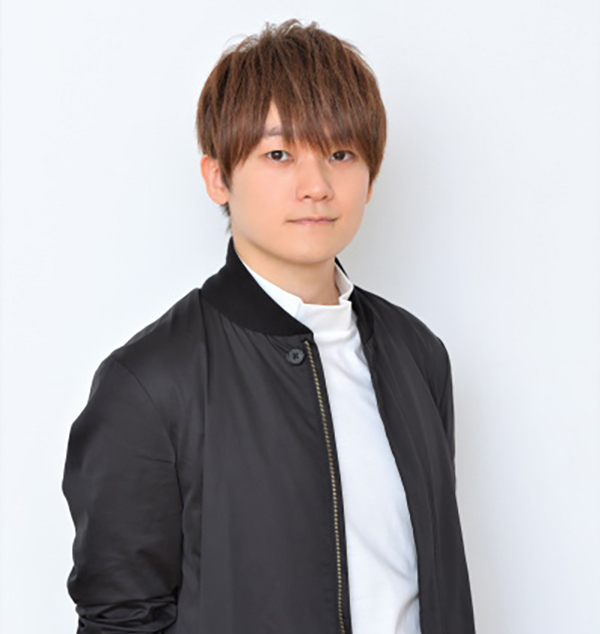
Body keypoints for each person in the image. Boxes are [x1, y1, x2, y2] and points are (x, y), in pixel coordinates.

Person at [62, 18, 476, 634]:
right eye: (279, 155)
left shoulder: (417, 354)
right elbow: (119, 619)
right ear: (218, 177)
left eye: (341, 153)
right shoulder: (149, 384)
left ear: (371, 175)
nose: (317, 187)